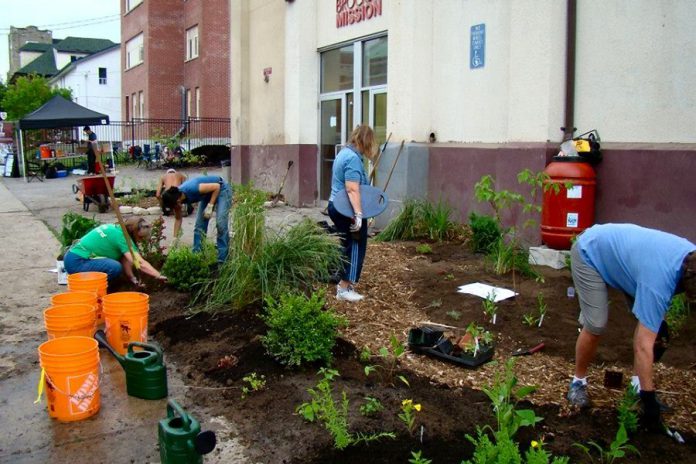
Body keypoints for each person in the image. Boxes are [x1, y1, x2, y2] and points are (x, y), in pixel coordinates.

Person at [566, 223, 696, 430]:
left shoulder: (691, 257)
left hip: (631, 265)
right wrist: (650, 401)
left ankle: (636, 388)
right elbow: (643, 346)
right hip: (590, 252)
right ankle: (577, 383)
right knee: (596, 324)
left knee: (657, 334)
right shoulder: (660, 281)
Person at [327, 124, 377, 302]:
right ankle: (345, 287)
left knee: (346, 243)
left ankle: (343, 284)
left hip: (336, 206)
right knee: (356, 244)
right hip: (346, 210)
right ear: (366, 141)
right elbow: (352, 189)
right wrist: (358, 215)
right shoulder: (354, 159)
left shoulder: (343, 153)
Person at [63, 217, 167, 285]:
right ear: (135, 232)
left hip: (72, 257)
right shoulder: (123, 238)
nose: (141, 240)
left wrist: (132, 279)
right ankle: (94, 291)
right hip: (77, 262)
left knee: (116, 265)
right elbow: (139, 262)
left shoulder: (116, 229)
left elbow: (126, 260)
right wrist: (158, 275)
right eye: (141, 237)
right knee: (114, 267)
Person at [161, 175, 232, 263]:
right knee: (199, 226)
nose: (175, 209)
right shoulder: (175, 199)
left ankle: (223, 260)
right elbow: (178, 219)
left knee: (221, 224)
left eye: (174, 206)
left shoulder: (192, 188)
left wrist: (210, 206)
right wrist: (175, 239)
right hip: (206, 194)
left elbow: (216, 187)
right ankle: (197, 258)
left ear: (178, 201)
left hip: (221, 189)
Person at [156, 169, 189, 238]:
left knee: (176, 216)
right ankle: (175, 238)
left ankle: (167, 210)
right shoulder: (180, 175)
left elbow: (158, 195)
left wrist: (162, 205)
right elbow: (186, 188)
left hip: (168, 196)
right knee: (178, 218)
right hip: (177, 197)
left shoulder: (163, 176)